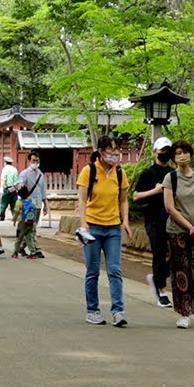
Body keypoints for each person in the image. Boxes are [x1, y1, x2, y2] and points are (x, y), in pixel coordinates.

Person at [75, 136, 132, 327]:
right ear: (100, 152)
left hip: (113, 228)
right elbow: (82, 201)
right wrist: (83, 224)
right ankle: (92, 310)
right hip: (92, 227)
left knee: (114, 270)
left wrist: (125, 221)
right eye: (111, 151)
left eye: (117, 151)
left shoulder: (120, 173)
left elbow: (123, 200)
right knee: (92, 271)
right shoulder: (88, 171)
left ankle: (118, 311)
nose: (115, 155)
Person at [161, 140, 194, 329]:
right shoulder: (171, 178)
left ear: (190, 154)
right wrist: (188, 226)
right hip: (177, 232)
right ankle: (183, 312)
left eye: (185, 152)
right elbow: (170, 207)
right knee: (181, 272)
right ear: (173, 158)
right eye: (178, 153)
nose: (182, 156)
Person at [133, 137, 175, 308]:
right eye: (161, 150)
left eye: (167, 150)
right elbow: (136, 196)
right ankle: (162, 291)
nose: (164, 153)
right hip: (154, 219)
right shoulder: (148, 173)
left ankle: (156, 278)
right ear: (154, 152)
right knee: (159, 253)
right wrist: (156, 190)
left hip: (172, 219)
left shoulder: (173, 173)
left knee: (174, 254)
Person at [13, 152, 47, 258]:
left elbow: (43, 190)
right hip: (28, 207)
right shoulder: (24, 173)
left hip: (37, 205)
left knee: (31, 227)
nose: (35, 163)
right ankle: (35, 249)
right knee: (31, 228)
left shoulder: (41, 174)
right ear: (29, 161)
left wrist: (45, 204)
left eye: (37, 160)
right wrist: (20, 185)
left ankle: (21, 247)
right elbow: (20, 183)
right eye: (33, 161)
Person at [12, 186, 43, 258]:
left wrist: (14, 220)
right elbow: (36, 209)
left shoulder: (19, 202)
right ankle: (33, 253)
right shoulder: (33, 201)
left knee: (19, 237)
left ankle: (15, 252)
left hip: (22, 222)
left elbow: (16, 212)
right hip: (31, 222)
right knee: (29, 238)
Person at [0, 156, 20, 220]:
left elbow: (3, 179)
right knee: (13, 204)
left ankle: (2, 216)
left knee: (3, 204)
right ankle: (14, 216)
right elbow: (17, 181)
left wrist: (1, 188)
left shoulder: (5, 169)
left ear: (5, 162)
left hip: (7, 189)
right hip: (14, 189)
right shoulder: (15, 169)